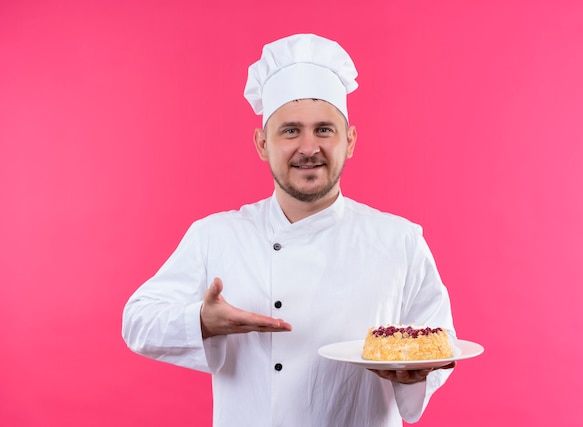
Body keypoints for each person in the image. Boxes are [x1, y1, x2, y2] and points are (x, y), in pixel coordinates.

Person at [122, 33, 456, 427]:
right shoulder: (216, 236)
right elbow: (137, 321)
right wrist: (200, 321)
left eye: (325, 130)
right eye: (291, 131)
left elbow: (439, 345)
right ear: (263, 143)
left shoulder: (400, 241)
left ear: (349, 141)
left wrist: (417, 375)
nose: (309, 147)